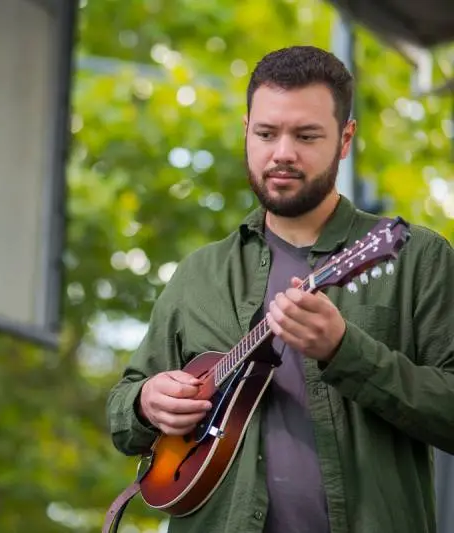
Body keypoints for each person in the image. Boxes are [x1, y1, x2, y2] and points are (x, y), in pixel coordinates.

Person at [106, 45, 454, 533]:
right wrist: (146, 402)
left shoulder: (420, 258)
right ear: (246, 131)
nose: (283, 152)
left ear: (345, 139)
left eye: (307, 135)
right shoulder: (199, 274)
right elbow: (122, 412)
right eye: (267, 133)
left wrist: (345, 350)